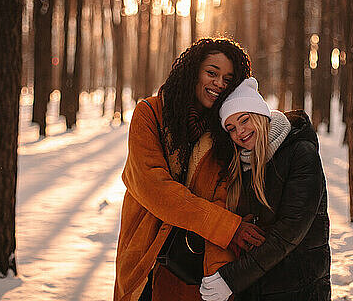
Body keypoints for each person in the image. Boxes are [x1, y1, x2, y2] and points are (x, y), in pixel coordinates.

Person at [113, 39, 265, 301]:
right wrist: (228, 228)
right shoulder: (149, 114)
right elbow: (155, 189)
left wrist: (221, 276)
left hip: (189, 264)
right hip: (145, 253)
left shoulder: (223, 132)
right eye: (212, 73)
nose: (219, 83)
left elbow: (222, 199)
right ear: (193, 71)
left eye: (227, 79)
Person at [200, 77, 331, 301]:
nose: (240, 132)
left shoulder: (300, 153)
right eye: (231, 128)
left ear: (260, 115)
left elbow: (290, 231)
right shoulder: (243, 162)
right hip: (258, 286)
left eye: (244, 120)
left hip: (299, 287)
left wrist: (232, 278)